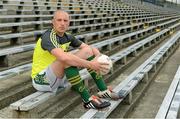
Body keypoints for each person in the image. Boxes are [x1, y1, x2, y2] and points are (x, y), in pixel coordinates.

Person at [31, 10, 122, 109]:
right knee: (65, 58)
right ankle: (87, 100)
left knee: (87, 51)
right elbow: (63, 57)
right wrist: (91, 64)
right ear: (53, 22)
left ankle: (103, 90)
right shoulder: (48, 36)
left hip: (59, 77)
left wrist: (98, 56)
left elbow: (89, 49)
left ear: (69, 23)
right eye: (59, 20)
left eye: (65, 20)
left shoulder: (67, 36)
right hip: (42, 80)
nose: (62, 23)